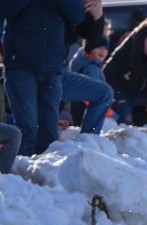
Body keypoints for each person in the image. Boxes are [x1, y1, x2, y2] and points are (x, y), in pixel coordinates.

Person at [1, 0, 104, 156]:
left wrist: (98, 16)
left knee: (48, 132)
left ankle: (43, 174)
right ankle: (22, 174)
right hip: (20, 67)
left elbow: (76, 17)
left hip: (52, 68)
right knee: (28, 127)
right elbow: (6, 8)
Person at [0, 41, 21, 174]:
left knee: (15, 130)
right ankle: (3, 175)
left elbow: (8, 110)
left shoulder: (2, 80)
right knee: (13, 134)